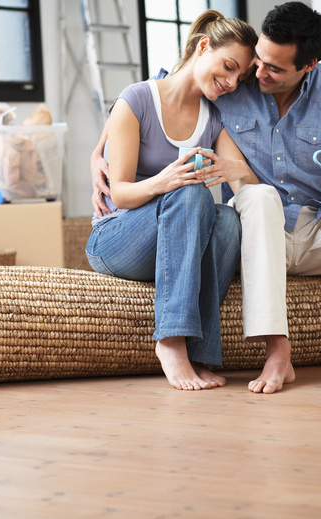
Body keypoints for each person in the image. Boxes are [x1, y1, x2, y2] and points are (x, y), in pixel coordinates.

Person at [92, 2, 321, 394]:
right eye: (257, 61)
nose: (257, 73)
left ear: (308, 66)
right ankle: (275, 349)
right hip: (257, 227)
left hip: (315, 227)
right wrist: (98, 151)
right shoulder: (234, 78)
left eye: (273, 68)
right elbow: (170, 83)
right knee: (251, 197)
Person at [86, 10, 259, 391]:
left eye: (239, 77)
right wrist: (165, 181)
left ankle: (200, 352)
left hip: (173, 239)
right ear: (202, 46)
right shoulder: (136, 100)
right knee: (189, 192)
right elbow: (120, 194)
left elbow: (245, 178)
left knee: (228, 220)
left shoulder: (213, 118)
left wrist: (232, 170)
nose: (231, 82)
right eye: (228, 67)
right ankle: (170, 341)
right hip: (116, 238)